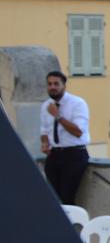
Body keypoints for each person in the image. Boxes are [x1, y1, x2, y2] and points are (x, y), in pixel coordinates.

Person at [40, 71, 90, 204]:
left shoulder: (78, 103)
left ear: (64, 85)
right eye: (50, 84)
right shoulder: (46, 106)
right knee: (52, 198)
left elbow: (78, 131)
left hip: (74, 154)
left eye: (56, 84)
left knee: (67, 197)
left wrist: (58, 116)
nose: (52, 87)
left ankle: (69, 225)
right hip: (54, 155)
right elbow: (44, 130)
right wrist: (45, 143)